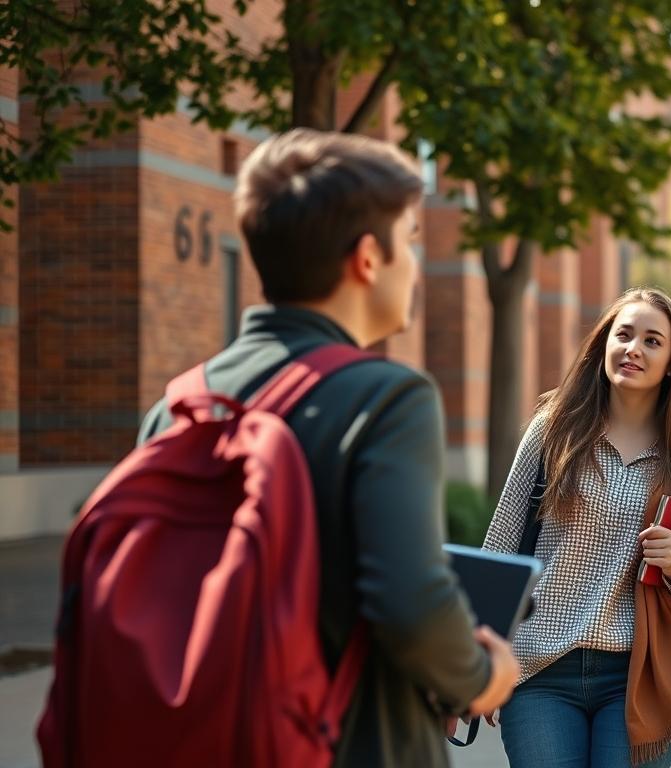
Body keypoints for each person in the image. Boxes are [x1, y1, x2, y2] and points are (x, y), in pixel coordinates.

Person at [137, 129, 518, 766]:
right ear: (368, 258)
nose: (416, 266)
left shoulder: (178, 405)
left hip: (205, 735)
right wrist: (482, 678)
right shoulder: (389, 399)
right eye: (412, 242)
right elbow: (409, 600)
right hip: (346, 741)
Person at [483, 287, 671, 768]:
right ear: (603, 345)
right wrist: (478, 661)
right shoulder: (553, 428)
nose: (633, 348)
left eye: (652, 341)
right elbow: (501, 545)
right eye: (623, 335)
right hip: (538, 668)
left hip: (641, 674)